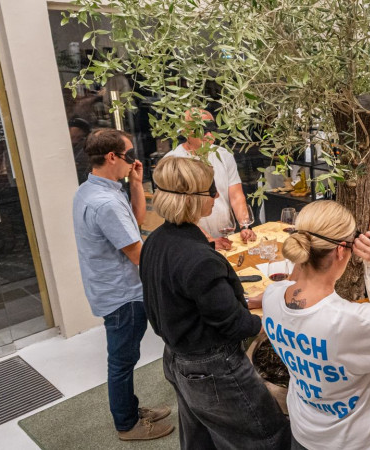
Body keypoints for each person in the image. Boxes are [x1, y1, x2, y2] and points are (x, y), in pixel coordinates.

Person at [262, 200, 370, 450]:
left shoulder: (272, 298)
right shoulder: (356, 321)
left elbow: (294, 281)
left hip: (305, 433)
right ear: (340, 251)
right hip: (362, 441)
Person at [139, 157, 290, 449]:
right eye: (211, 191)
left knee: (200, 439)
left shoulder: (157, 241)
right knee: (268, 436)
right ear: (192, 200)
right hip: (212, 367)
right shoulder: (200, 259)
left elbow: (189, 301)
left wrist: (242, 300)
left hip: (175, 358)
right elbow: (234, 324)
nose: (217, 196)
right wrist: (271, 320)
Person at [72, 128, 173, 441]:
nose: (135, 160)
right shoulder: (105, 203)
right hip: (123, 296)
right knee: (122, 362)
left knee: (122, 359)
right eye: (129, 154)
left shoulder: (93, 190)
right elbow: (138, 254)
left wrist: (136, 183)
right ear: (112, 156)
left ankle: (129, 409)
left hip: (112, 289)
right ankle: (127, 424)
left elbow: (136, 222)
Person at [162, 108, 255, 250]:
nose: (209, 134)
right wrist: (209, 239)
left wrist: (245, 226)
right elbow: (179, 210)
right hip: (191, 241)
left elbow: (236, 195)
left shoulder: (224, 155)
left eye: (212, 129)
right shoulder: (173, 162)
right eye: (203, 129)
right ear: (186, 131)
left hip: (226, 235)